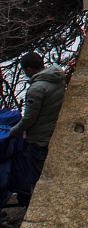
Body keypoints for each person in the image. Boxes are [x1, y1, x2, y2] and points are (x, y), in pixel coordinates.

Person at [15, 50, 68, 199]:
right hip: (53, 133)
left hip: (39, 140)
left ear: (29, 69)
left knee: (39, 178)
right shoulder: (57, 78)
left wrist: (14, 130)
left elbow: (29, 119)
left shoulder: (36, 89)